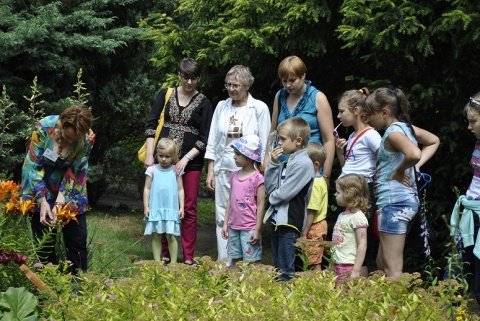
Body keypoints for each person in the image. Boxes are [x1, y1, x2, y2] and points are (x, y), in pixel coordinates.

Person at [363, 88, 440, 277]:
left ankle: (395, 306)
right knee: (382, 263)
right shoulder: (407, 128)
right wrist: (416, 167)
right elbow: (433, 141)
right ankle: (387, 304)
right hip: (400, 202)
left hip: (395, 202)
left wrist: (400, 170)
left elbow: (414, 153)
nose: (368, 120)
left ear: (384, 112)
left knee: (392, 269)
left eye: (370, 115)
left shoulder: (392, 133)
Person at [144, 58, 213, 265]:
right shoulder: (166, 95)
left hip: (190, 164)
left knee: (188, 207)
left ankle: (188, 256)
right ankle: (165, 253)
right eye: (185, 77)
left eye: (193, 78)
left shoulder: (204, 103)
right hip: (162, 161)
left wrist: (185, 158)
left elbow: (205, 138)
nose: (189, 82)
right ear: (179, 75)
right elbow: (150, 124)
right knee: (162, 203)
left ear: (199, 78)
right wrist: (150, 154)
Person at [205, 65, 271, 262]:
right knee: (222, 214)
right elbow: (213, 139)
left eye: (236, 85)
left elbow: (266, 141)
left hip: (249, 173)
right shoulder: (221, 106)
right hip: (224, 167)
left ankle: (247, 260)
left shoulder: (259, 108)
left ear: (248, 85)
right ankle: (225, 260)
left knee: (246, 214)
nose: (231, 89)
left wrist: (262, 169)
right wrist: (210, 169)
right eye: (228, 85)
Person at [21, 105, 95, 274]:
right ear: (61, 124)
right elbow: (33, 166)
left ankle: (78, 284)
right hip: (40, 181)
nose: (70, 142)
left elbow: (75, 172)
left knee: (77, 238)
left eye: (74, 139)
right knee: (45, 237)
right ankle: (48, 285)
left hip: (72, 186)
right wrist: (43, 201)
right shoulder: (44, 128)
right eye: (67, 136)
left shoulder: (88, 138)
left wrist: (60, 203)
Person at [334, 87, 381, 275]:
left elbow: (385, 158)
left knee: (361, 240)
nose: (338, 116)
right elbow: (348, 168)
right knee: (347, 240)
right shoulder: (352, 136)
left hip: (361, 192)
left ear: (356, 111)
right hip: (347, 190)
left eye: (341, 111)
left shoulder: (371, 135)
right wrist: (339, 152)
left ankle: (359, 289)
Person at [269, 56, 335, 185]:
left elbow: (329, 140)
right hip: (283, 166)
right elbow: (273, 132)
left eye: (292, 80)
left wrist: (326, 176)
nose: (288, 85)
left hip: (310, 165)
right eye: (284, 81)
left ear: (303, 75)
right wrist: (269, 160)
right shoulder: (280, 96)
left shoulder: (318, 98)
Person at [264, 117, 315, 281]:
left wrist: (270, 198)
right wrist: (272, 163)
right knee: (278, 268)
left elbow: (284, 193)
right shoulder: (288, 161)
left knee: (286, 270)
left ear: (298, 140)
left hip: (290, 221)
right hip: (277, 221)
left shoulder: (303, 164)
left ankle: (287, 302)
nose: (280, 143)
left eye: (283, 139)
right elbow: (270, 186)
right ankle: (279, 301)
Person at [449, 92, 480, 305]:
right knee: (457, 270)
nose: (469, 127)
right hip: (470, 212)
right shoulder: (478, 144)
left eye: (473, 122)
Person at [221, 135, 265, 269]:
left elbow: (261, 205)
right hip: (234, 226)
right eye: (235, 154)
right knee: (234, 259)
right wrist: (225, 223)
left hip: (249, 228)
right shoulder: (234, 175)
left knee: (251, 262)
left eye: (238, 154)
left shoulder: (258, 178)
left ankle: (250, 289)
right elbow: (230, 200)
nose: (234, 157)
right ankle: (234, 290)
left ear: (250, 156)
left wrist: (257, 230)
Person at [143, 138, 184, 264]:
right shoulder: (152, 170)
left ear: (173, 156)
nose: (164, 159)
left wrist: (181, 207)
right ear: (157, 154)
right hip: (156, 208)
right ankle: (156, 263)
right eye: (161, 156)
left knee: (170, 236)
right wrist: (146, 206)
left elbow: (180, 189)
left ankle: (173, 263)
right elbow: (147, 188)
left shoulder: (176, 171)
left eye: (167, 156)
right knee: (156, 235)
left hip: (171, 209)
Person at [331, 174, 370, 285]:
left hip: (348, 266)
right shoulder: (342, 215)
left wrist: (356, 271)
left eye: (338, 192)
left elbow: (362, 244)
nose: (335, 194)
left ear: (349, 194)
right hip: (337, 264)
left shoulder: (357, 217)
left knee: (346, 295)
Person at [300, 142, 328, 271]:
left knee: (314, 260)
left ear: (316, 164)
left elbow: (312, 210)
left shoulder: (316, 184)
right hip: (316, 225)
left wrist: (304, 232)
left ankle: (316, 286)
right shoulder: (320, 180)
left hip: (314, 226)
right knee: (313, 257)